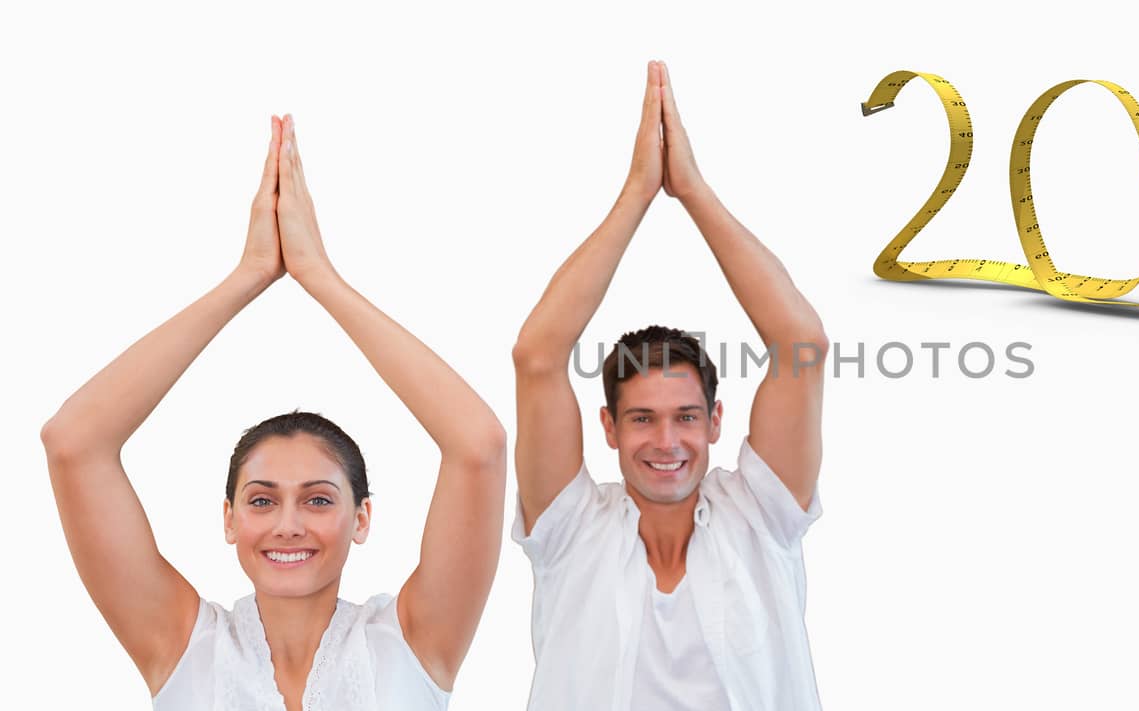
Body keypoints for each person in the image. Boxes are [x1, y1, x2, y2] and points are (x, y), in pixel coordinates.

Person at [40, 114, 507, 710]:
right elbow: (71, 443)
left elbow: (480, 443)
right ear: (230, 519)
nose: (289, 524)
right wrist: (249, 275)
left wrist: (320, 277)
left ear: (362, 518)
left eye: (318, 499)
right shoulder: (183, 646)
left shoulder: (415, 641)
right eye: (262, 499)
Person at [510, 60, 829, 711]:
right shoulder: (570, 528)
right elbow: (537, 355)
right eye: (642, 418)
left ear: (716, 421)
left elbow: (802, 346)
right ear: (609, 427)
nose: (666, 440)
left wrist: (693, 191)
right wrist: (637, 191)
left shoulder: (760, 516)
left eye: (686, 416)